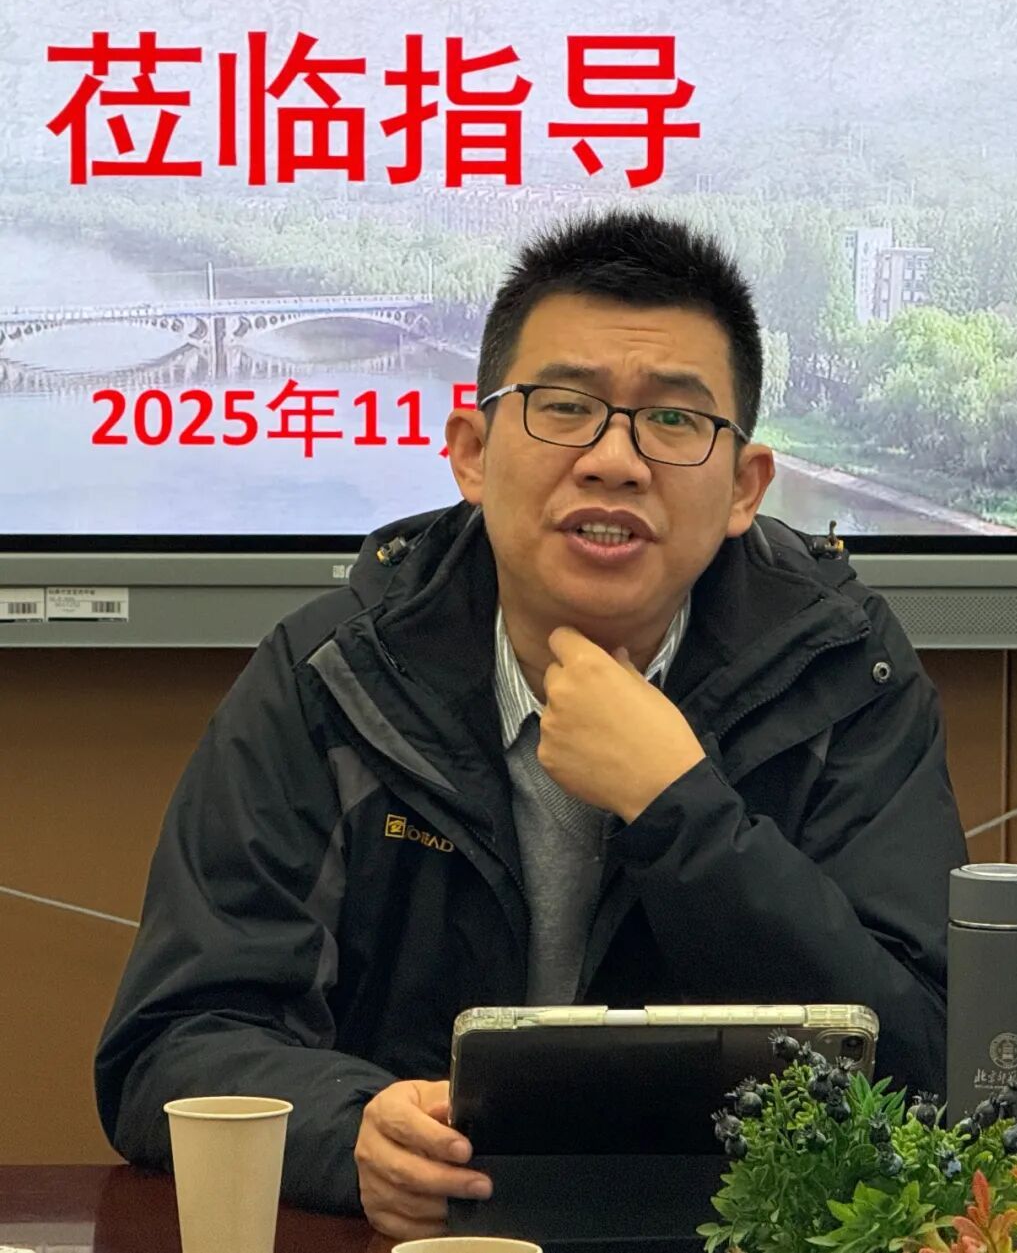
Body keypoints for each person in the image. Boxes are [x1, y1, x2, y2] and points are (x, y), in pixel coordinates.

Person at [95, 209, 968, 1241]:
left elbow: (928, 1069)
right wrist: (348, 1129)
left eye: (674, 419)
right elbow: (176, 1038)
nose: (614, 460)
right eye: (564, 407)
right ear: (471, 452)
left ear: (745, 487)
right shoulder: (335, 675)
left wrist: (679, 808)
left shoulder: (842, 677)